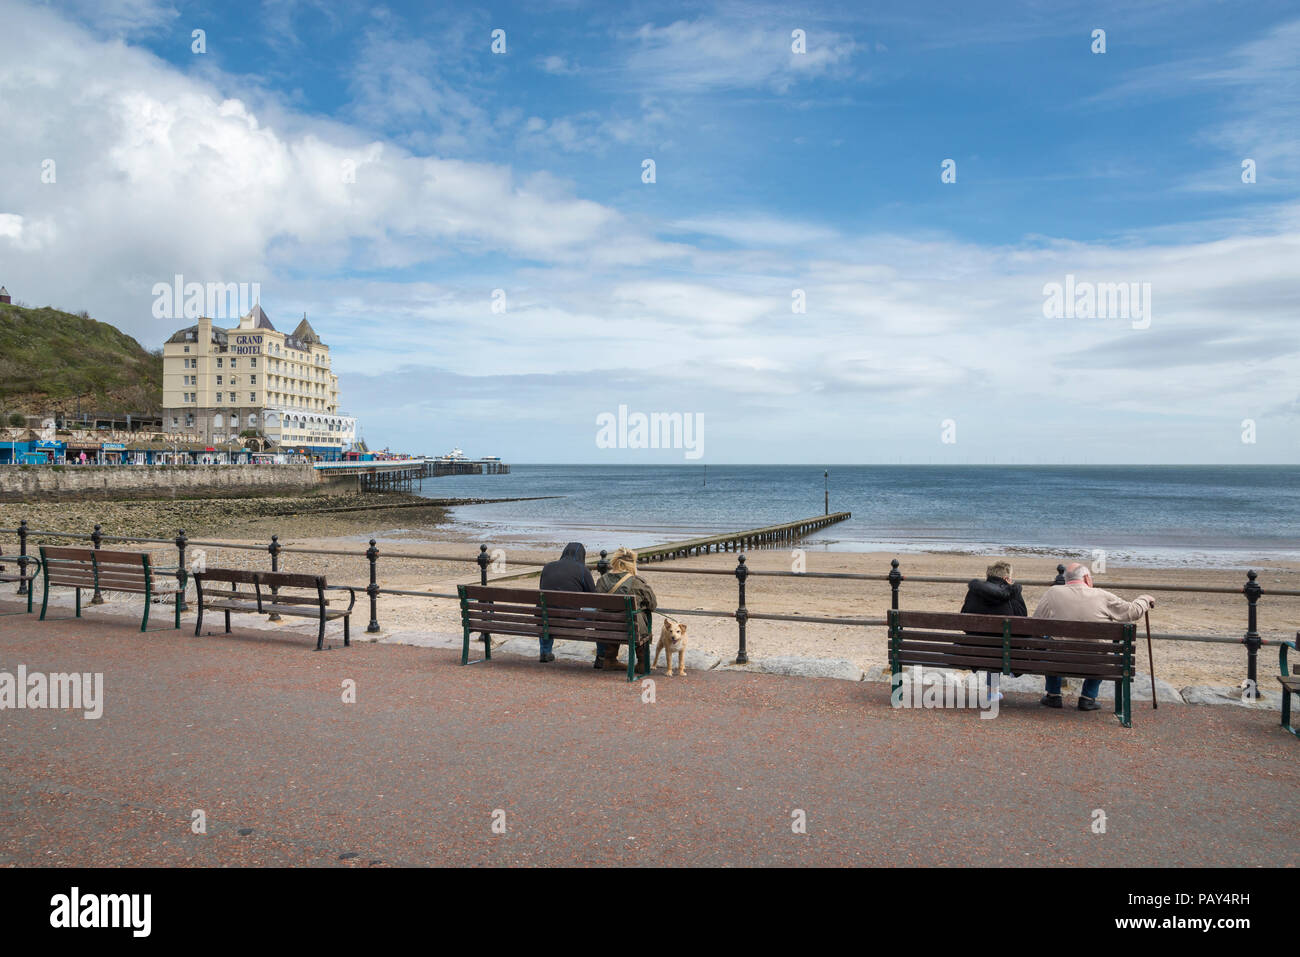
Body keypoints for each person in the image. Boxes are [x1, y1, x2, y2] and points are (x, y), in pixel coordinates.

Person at [1033, 562, 1156, 711]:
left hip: (1059, 659)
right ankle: (1088, 698)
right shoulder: (1102, 595)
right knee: (1102, 649)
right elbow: (1133, 612)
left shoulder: (1052, 593)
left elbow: (1036, 623)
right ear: (1086, 578)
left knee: (1050, 644)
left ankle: (1053, 695)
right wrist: (1145, 598)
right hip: (1095, 662)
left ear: (1067, 579)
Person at [958, 560, 1026, 702]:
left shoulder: (975, 591)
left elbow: (964, 621)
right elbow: (1022, 621)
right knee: (1002, 642)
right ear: (1007, 578)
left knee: (992, 641)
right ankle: (996, 689)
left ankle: (993, 692)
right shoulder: (1012, 593)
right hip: (1005, 650)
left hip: (975, 647)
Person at [594, 546, 657, 674]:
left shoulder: (602, 580)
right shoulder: (636, 582)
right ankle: (642, 663)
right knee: (637, 618)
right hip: (630, 629)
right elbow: (653, 605)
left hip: (605, 628)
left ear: (614, 561)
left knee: (612, 615)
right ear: (632, 564)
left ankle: (610, 659)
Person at [537, 542, 595, 663]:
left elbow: (542, 589)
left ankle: (545, 651)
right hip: (572, 621)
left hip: (546, 620)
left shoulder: (548, 567)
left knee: (546, 610)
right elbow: (593, 597)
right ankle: (602, 656)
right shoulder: (582, 570)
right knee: (600, 611)